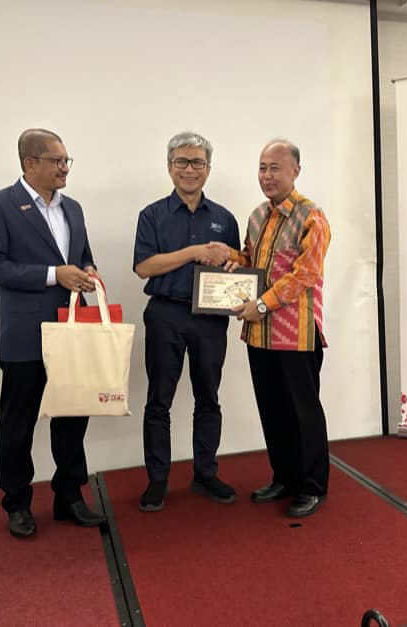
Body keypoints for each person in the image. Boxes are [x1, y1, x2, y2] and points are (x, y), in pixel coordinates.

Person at [0, 128, 106, 538]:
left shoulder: (74, 208)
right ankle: (17, 503)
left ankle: (70, 496)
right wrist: (53, 275)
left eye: (67, 160)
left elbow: (81, 256)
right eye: (57, 161)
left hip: (73, 331)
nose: (65, 168)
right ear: (30, 163)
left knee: (72, 418)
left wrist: (88, 271)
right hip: (25, 336)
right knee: (18, 424)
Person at [132, 131, 241, 512]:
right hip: (165, 314)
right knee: (158, 400)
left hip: (211, 318)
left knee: (208, 397)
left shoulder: (224, 218)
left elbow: (237, 263)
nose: (189, 169)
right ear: (169, 167)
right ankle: (157, 480)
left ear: (208, 169)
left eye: (197, 162)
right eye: (182, 162)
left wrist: (234, 262)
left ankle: (205, 473)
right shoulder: (152, 215)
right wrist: (194, 251)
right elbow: (144, 267)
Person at [229, 139, 331, 518]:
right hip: (259, 334)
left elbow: (305, 275)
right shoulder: (257, 216)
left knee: (304, 413)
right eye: (262, 168)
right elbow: (251, 261)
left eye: (275, 168)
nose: (267, 175)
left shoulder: (312, 217)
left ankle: (313, 486)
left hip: (296, 334)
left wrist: (260, 304)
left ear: (295, 171)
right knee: (271, 410)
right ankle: (284, 478)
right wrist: (231, 259)